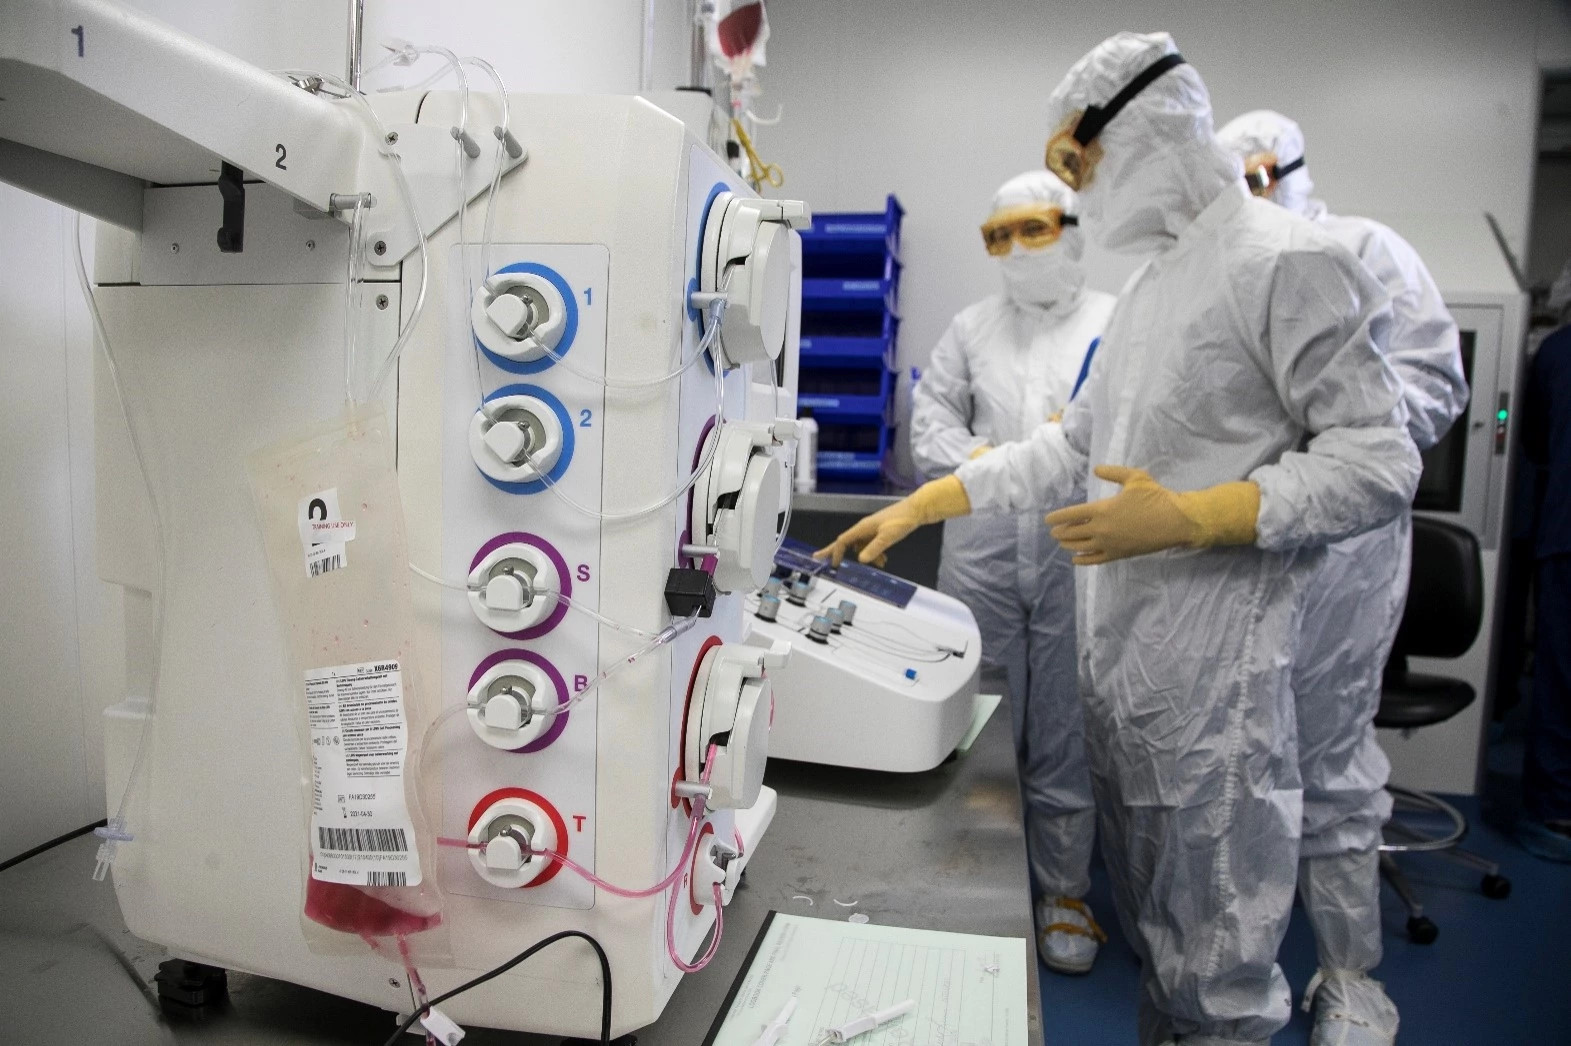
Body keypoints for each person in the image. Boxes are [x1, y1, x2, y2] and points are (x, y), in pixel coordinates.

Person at [820, 32, 1421, 1046]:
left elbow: (1377, 461)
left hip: (1213, 694)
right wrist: (932, 502)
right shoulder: (1152, 292)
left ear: (1142, 130)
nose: (1076, 194)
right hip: (1129, 678)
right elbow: (1066, 451)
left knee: (1218, 976)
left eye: (1075, 167)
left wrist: (1200, 513)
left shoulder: (1285, 260)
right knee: (1161, 947)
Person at [1216, 109, 1468, 1044]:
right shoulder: (1221, 278)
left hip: (1346, 551)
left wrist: (1320, 439)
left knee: (1328, 765)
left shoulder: (1365, 248)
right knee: (1239, 760)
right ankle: (1234, 977)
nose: (1246, 195)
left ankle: (1350, 978)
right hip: (1237, 544)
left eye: (1255, 174)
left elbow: (1431, 388)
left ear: (1287, 168)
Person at [911, 170, 1116, 974]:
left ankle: (1064, 890)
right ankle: (977, 883)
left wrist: (1032, 464)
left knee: (1062, 722)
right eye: (998, 235)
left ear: (1072, 227)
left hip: (1079, 550)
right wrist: (1003, 464)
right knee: (981, 723)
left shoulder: (1116, 321)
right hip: (985, 548)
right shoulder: (969, 328)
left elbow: (1125, 433)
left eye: (1033, 229)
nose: (1016, 250)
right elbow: (929, 433)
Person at [1519, 300, 1571, 862]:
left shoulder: (1556, 351)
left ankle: (1553, 807)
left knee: (1559, 673)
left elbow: (1532, 442)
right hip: (1563, 533)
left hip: (1562, 533)